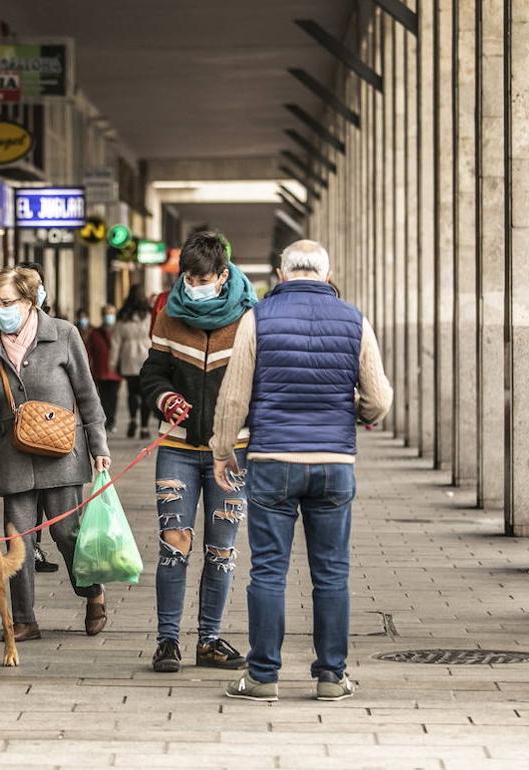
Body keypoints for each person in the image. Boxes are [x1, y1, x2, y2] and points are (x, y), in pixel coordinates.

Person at [212, 240, 392, 703]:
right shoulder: (355, 320)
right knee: (331, 573)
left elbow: (235, 395)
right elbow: (379, 401)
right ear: (327, 274)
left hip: (273, 460)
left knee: (268, 571)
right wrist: (344, 410)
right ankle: (332, 676)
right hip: (334, 464)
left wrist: (221, 450)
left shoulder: (258, 318)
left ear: (281, 272)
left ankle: (262, 676)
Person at [139, 230, 259, 674]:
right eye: (188, 277)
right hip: (177, 449)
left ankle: (209, 639)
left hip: (233, 452)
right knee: (174, 544)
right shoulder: (169, 317)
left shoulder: (250, 318)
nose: (194, 284)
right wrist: (164, 397)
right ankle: (167, 640)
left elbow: (260, 384)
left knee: (222, 550)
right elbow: (151, 372)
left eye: (203, 277)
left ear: (222, 275)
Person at [0, 266, 111, 641]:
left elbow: (87, 395)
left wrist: (98, 446)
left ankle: (92, 592)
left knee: (68, 533)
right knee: (17, 537)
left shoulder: (64, 334)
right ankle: (23, 619)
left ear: (30, 300)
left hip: (62, 451)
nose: (0, 309)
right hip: (15, 454)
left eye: (7, 302)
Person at [111, 285, 154, 439]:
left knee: (131, 392)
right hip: (146, 357)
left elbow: (116, 341)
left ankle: (133, 420)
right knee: (145, 394)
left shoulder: (123, 315)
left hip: (128, 358)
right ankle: (144, 427)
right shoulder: (149, 314)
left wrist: (113, 362)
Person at [85, 304, 121, 433]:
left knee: (114, 397)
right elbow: (87, 351)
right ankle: (107, 420)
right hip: (100, 371)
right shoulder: (95, 333)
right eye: (106, 314)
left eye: (111, 314)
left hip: (115, 371)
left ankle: (111, 421)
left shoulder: (118, 331)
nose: (108, 317)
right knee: (103, 398)